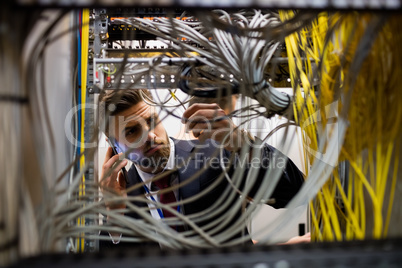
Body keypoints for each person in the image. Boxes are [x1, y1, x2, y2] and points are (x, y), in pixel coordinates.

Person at [99, 89, 305, 248]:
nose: (150, 136)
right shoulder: (117, 197)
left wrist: (243, 145)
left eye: (151, 121)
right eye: (133, 131)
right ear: (114, 145)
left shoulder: (214, 153)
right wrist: (115, 217)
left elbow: (295, 193)